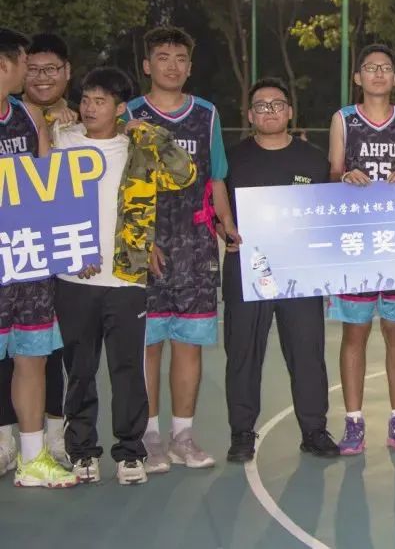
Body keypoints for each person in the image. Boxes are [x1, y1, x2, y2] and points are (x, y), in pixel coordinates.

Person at [53, 67, 197, 485]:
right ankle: (82, 450)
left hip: (125, 279)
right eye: (86, 99)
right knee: (79, 371)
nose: (89, 107)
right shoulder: (63, 140)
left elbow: (184, 174)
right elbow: (42, 196)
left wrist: (153, 133)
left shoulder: (138, 148)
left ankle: (130, 452)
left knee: (127, 368)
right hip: (74, 278)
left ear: (120, 109)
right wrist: (52, 116)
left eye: (100, 101)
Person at [125, 26, 239, 471]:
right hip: (144, 245)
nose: (172, 66)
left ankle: (183, 435)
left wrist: (227, 225)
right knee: (148, 344)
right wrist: (140, 239)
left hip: (195, 245)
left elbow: (216, 179)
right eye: (162, 57)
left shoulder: (206, 114)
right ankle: (150, 436)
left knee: (189, 343)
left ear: (189, 67)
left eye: (180, 58)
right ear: (146, 65)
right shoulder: (129, 114)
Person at [223, 79, 339, 462]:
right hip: (246, 270)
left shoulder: (314, 160)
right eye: (261, 105)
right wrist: (223, 230)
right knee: (243, 354)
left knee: (307, 352)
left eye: (277, 104)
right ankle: (242, 433)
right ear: (250, 114)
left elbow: (329, 214)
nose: (269, 111)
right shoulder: (231, 160)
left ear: (290, 111)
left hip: (300, 274)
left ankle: (314, 430)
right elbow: (214, 207)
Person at [326, 45, 395, 455]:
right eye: (370, 68)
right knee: (355, 333)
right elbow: (333, 173)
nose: (379, 74)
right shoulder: (343, 119)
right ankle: (353, 421)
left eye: (386, 68)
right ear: (357, 77)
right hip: (357, 242)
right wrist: (345, 176)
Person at [0, 28, 75, 488]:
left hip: (27, 260)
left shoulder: (28, 117)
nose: (31, 71)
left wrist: (68, 245)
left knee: (32, 356)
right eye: (25, 63)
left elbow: (51, 190)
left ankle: (32, 459)